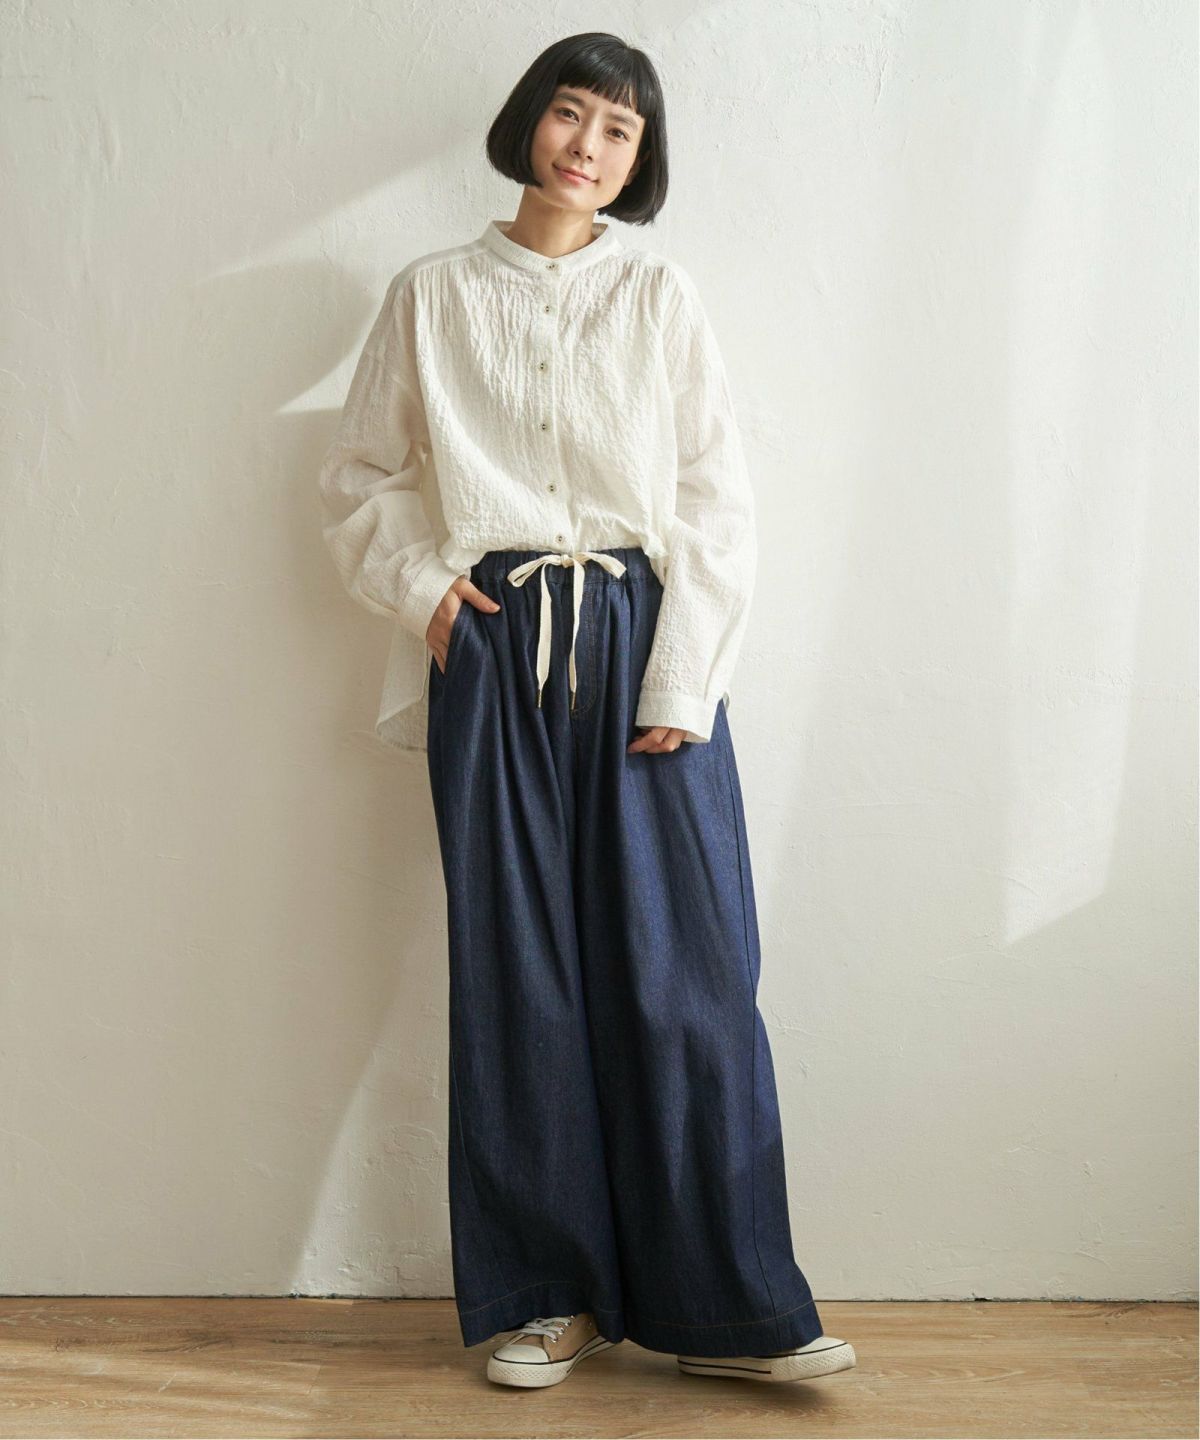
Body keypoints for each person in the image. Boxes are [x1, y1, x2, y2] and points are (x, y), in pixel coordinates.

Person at [317, 31, 856, 1391]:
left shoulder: (659, 295)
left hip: (639, 634)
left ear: (638, 160)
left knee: (688, 977)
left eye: (620, 132)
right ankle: (549, 1296)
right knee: (519, 973)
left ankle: (731, 1305)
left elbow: (716, 500)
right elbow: (358, 474)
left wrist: (682, 677)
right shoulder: (432, 293)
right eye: (572, 115)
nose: (589, 147)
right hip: (495, 640)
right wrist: (428, 592)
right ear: (531, 123)